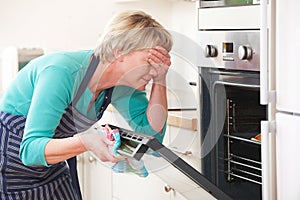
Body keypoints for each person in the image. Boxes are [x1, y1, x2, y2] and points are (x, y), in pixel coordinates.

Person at [0, 10, 173, 200]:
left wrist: (160, 80)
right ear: (119, 52)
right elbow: (30, 151)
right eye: (150, 60)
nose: (154, 68)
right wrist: (86, 141)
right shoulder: (61, 71)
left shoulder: (121, 84)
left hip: (52, 168)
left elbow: (152, 136)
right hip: (10, 169)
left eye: (160, 61)